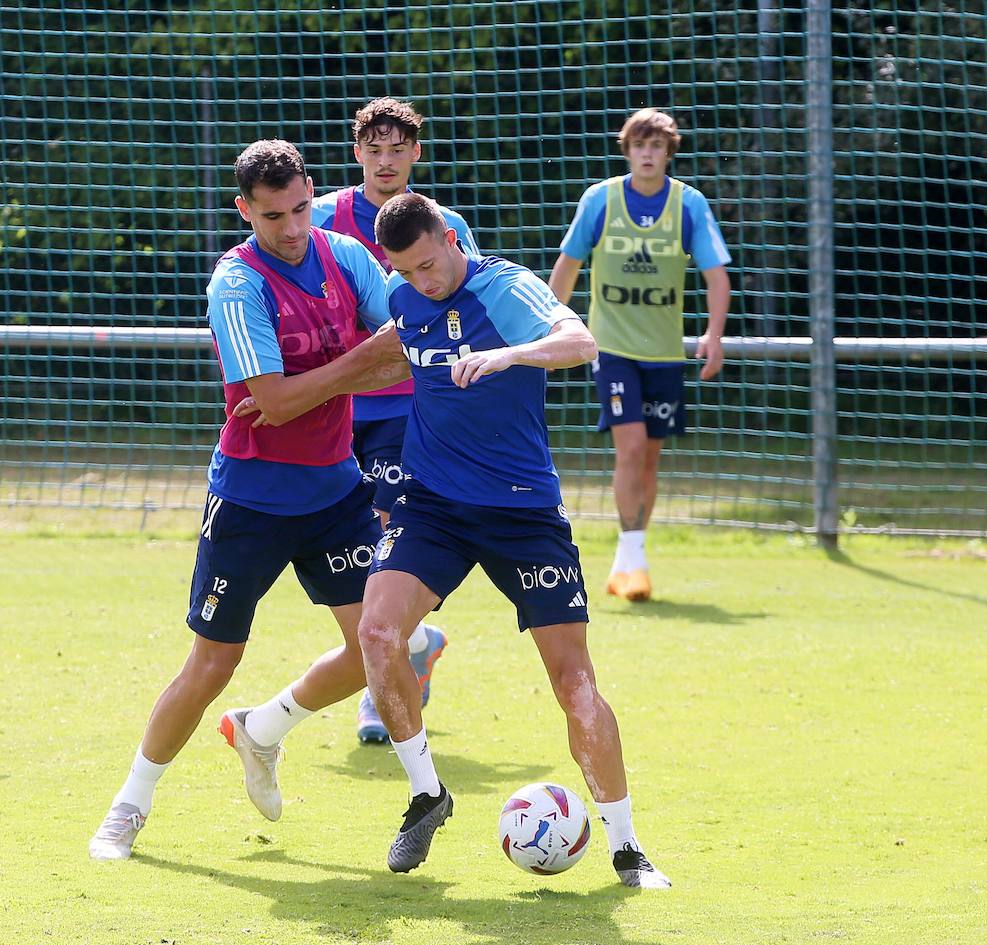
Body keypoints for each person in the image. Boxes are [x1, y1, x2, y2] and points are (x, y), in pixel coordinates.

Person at [89, 140, 411, 861]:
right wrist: (356, 362)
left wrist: (318, 380)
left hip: (336, 491)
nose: (293, 227)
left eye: (300, 207)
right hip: (251, 500)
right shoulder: (236, 283)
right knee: (211, 663)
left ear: (311, 192)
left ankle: (262, 729)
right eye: (274, 216)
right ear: (245, 211)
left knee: (385, 646)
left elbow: (406, 335)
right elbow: (274, 400)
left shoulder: (346, 255)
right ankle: (129, 806)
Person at [355, 192, 671, 887]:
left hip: (522, 511)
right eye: (408, 272)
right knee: (376, 634)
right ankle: (425, 795)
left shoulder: (504, 285)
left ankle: (626, 848)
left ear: (448, 236)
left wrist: (508, 357)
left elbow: (579, 341)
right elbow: (383, 359)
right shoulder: (402, 295)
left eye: (431, 264)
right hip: (433, 504)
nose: (424, 282)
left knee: (575, 684)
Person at [311, 97, 480, 743]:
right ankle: (416, 642)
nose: (385, 161)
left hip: (405, 408)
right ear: (358, 154)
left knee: (390, 542)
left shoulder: (444, 225)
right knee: (348, 549)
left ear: (415, 153)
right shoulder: (321, 218)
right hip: (329, 407)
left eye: (397, 149)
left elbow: (471, 309)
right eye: (373, 149)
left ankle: (377, 694)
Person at [547, 108, 731, 602]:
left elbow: (717, 276)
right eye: (640, 145)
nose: (648, 154)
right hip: (613, 349)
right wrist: (547, 325)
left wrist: (713, 336)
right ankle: (634, 562)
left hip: (665, 354)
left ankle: (630, 556)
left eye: (657, 146)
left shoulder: (688, 205)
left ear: (668, 153)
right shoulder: (601, 200)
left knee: (650, 457)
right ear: (627, 149)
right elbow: (568, 264)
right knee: (629, 449)